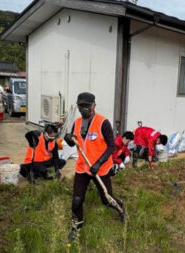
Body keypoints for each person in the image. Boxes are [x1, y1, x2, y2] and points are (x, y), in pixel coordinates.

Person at [63, 92, 124, 242]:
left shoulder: (103, 123)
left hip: (100, 168)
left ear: (93, 106)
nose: (83, 108)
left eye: (86, 106)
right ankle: (76, 226)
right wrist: (68, 138)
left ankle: (121, 209)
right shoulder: (76, 122)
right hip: (83, 167)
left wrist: (98, 163)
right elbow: (74, 142)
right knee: (77, 200)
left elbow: (111, 146)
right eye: (80, 106)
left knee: (106, 199)